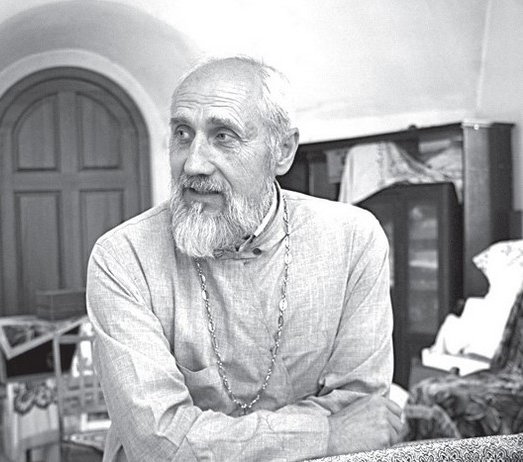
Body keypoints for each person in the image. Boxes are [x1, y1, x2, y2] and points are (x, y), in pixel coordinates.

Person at [86, 56, 402, 461]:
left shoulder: (353, 240)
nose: (194, 163)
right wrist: (326, 433)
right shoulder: (123, 257)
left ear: (282, 151)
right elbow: (159, 443)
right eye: (183, 133)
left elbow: (362, 415)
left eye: (223, 136)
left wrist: (206, 439)